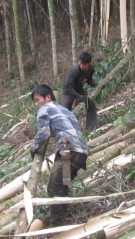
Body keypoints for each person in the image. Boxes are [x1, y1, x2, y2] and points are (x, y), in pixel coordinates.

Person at [31, 84, 89, 227]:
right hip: (81, 152)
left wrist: (34, 149)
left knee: (55, 188)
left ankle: (56, 226)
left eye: (37, 100)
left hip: (68, 151)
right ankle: (63, 218)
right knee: (63, 185)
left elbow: (43, 135)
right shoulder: (65, 110)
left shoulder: (45, 109)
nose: (37, 104)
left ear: (48, 97)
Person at [63, 52, 99, 131]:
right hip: (69, 92)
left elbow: (89, 80)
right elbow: (67, 86)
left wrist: (98, 85)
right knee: (65, 113)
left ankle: (91, 129)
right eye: (80, 63)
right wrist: (80, 97)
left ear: (88, 64)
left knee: (91, 104)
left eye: (84, 64)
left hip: (79, 90)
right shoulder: (75, 70)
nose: (81, 66)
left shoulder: (91, 69)